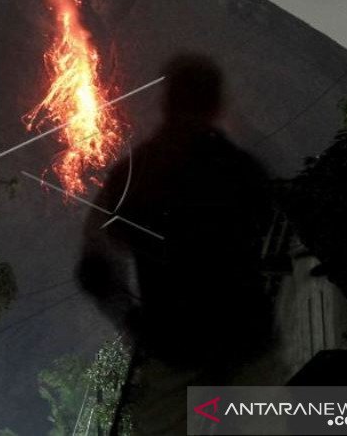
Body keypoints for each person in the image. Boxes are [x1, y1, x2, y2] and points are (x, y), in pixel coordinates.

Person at [77, 53, 282, 434]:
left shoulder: (132, 176)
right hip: (247, 346)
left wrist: (134, 321)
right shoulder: (242, 169)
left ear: (167, 102)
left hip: (175, 354)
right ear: (216, 104)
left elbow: (93, 266)